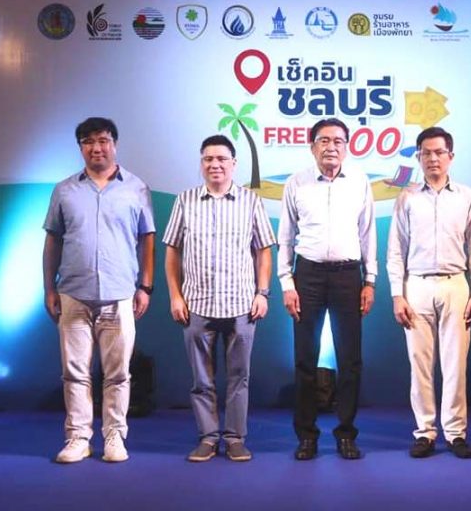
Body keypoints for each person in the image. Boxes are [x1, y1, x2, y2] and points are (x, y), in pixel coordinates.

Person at [43, 117, 155, 464]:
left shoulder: (136, 188)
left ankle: (114, 437)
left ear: (114, 144)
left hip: (120, 294)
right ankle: (78, 438)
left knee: (118, 374)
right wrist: (49, 288)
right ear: (80, 147)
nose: (96, 148)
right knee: (74, 373)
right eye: (88, 142)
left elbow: (146, 238)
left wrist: (145, 286)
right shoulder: (64, 190)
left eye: (103, 140)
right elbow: (52, 240)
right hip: (73, 293)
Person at [163, 134, 276, 463]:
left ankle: (235, 438)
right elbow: (172, 251)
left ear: (233, 164)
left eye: (222, 159)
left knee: (239, 378)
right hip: (196, 305)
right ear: (201, 164)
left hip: (242, 306)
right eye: (208, 159)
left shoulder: (250, 201)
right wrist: (175, 296)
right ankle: (208, 437)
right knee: (201, 380)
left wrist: (262, 293)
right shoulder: (185, 201)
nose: (215, 164)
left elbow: (263, 251)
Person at [278, 117, 377, 460]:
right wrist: (287, 283)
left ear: (347, 148)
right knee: (305, 359)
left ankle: (346, 433)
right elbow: (286, 238)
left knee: (350, 360)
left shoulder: (360, 182)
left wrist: (369, 280)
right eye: (324, 140)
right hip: (307, 275)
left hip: (349, 275)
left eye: (338, 141)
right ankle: (307, 436)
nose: (331, 147)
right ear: (312, 146)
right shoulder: (296, 183)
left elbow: (368, 234)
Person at [387, 126, 471, 459]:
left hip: (456, 284)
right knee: (420, 365)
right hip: (416, 285)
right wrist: (397, 294)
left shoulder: (467, 196)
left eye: (439, 152)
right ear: (418, 157)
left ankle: (456, 433)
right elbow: (396, 250)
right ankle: (425, 432)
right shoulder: (407, 198)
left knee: (456, 364)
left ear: (450, 156)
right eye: (426, 153)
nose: (433, 158)